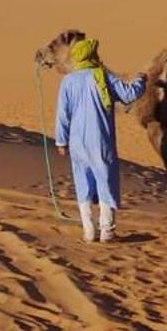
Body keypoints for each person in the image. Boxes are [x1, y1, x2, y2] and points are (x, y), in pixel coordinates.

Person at [52, 36, 145, 242]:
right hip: (100, 139)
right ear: (93, 56)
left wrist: (61, 141)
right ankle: (107, 231)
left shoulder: (68, 81)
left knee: (82, 182)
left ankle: (88, 231)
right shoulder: (101, 76)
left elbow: (62, 114)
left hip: (77, 141)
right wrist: (141, 80)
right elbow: (129, 94)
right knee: (105, 181)